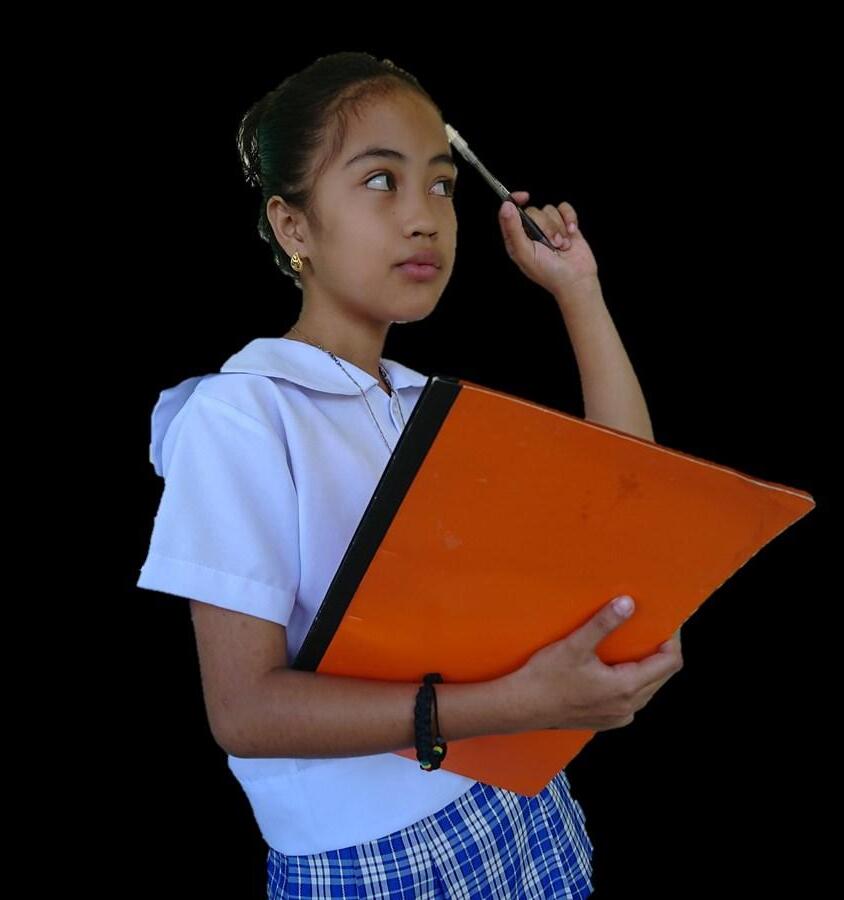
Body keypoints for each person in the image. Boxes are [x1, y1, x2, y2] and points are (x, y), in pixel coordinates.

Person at [136, 51, 683, 899]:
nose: (425, 217)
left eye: (441, 185)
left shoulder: (430, 402)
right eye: (380, 181)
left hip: (519, 803)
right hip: (377, 860)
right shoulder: (242, 415)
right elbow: (243, 711)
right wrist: (516, 705)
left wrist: (579, 291)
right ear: (293, 226)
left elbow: (628, 495)